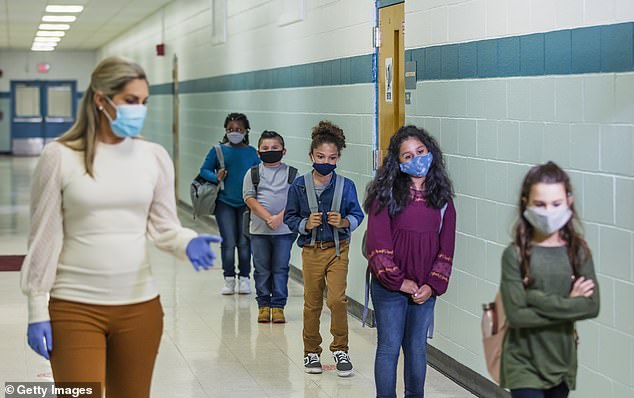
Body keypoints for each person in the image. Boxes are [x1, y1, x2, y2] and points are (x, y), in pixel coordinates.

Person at [20, 56, 221, 398]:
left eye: (143, 102)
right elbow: (44, 238)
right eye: (130, 101)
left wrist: (186, 241)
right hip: (74, 308)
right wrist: (37, 307)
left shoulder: (153, 156)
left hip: (140, 309)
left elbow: (164, 227)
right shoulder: (59, 156)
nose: (138, 110)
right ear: (101, 99)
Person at [364, 125, 456, 398]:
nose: (416, 159)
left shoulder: (443, 201)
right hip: (390, 286)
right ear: (398, 162)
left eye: (421, 151)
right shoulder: (386, 196)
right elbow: (377, 245)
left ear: (431, 153)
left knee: (416, 348)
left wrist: (430, 286)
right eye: (407, 156)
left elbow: (447, 249)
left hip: (425, 289)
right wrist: (400, 282)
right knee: (389, 347)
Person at [500, 161, 600, 398]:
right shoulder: (514, 254)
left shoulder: (578, 252)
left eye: (556, 204)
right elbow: (516, 315)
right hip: (522, 362)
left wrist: (533, 298)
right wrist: (569, 303)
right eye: (540, 204)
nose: (548, 212)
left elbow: (592, 306)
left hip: (561, 361)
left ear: (569, 201)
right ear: (526, 203)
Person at [284, 121, 364, 377]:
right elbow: (290, 217)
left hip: (338, 249)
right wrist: (305, 224)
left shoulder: (346, 186)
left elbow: (357, 214)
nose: (325, 161)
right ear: (311, 156)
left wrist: (344, 222)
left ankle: (340, 348)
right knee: (312, 302)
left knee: (337, 299)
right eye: (320, 157)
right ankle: (311, 351)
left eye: (331, 158)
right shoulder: (299, 185)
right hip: (311, 250)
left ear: (338, 158)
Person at [199, 113, 260, 295]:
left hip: (245, 203)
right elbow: (204, 170)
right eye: (231, 130)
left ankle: (244, 278)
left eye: (239, 130)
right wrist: (215, 177)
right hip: (224, 202)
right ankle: (229, 279)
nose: (235, 133)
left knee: (244, 242)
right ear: (226, 131)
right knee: (228, 242)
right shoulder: (217, 150)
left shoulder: (251, 153)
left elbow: (259, 174)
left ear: (246, 131)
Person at [243, 130, 297, 324]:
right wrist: (268, 218)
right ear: (258, 152)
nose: (270, 151)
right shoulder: (253, 173)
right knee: (261, 269)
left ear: (283, 151)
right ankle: (263, 305)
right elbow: (249, 197)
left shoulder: (292, 173)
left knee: (281, 268)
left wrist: (278, 218)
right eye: (265, 148)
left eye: (275, 148)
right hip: (259, 231)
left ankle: (278, 306)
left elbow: (294, 199)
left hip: (284, 231)